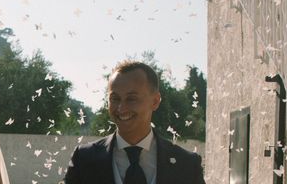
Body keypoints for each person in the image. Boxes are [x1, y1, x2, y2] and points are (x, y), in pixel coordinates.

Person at [64, 60, 205, 184]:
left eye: (131, 99)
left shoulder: (186, 164)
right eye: (115, 99)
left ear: (155, 101)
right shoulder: (84, 159)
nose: (121, 108)